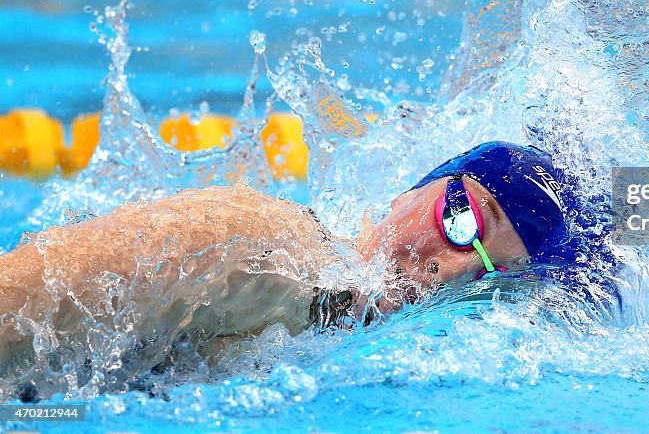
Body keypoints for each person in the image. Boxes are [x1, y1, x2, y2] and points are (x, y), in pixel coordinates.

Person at [0, 141, 593, 399]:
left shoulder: (324, 325)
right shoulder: (261, 238)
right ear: (418, 188)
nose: (444, 267)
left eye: (483, 274)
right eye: (461, 222)